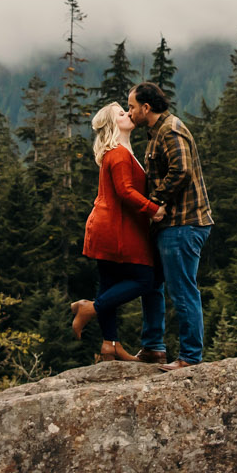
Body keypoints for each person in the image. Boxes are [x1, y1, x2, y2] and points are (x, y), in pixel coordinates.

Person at [127, 80, 213, 370]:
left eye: (132, 107)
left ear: (146, 107)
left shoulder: (170, 130)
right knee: (151, 284)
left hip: (184, 224)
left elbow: (181, 170)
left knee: (181, 289)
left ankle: (190, 357)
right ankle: (153, 347)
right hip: (169, 227)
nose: (130, 113)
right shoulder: (156, 133)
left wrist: (156, 202)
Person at [71, 101, 166, 362]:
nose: (128, 114)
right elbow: (125, 191)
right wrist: (153, 209)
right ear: (114, 124)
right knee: (145, 280)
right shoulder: (119, 154)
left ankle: (110, 346)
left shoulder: (120, 151)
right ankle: (90, 308)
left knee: (109, 283)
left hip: (108, 225)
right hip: (114, 227)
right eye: (122, 113)